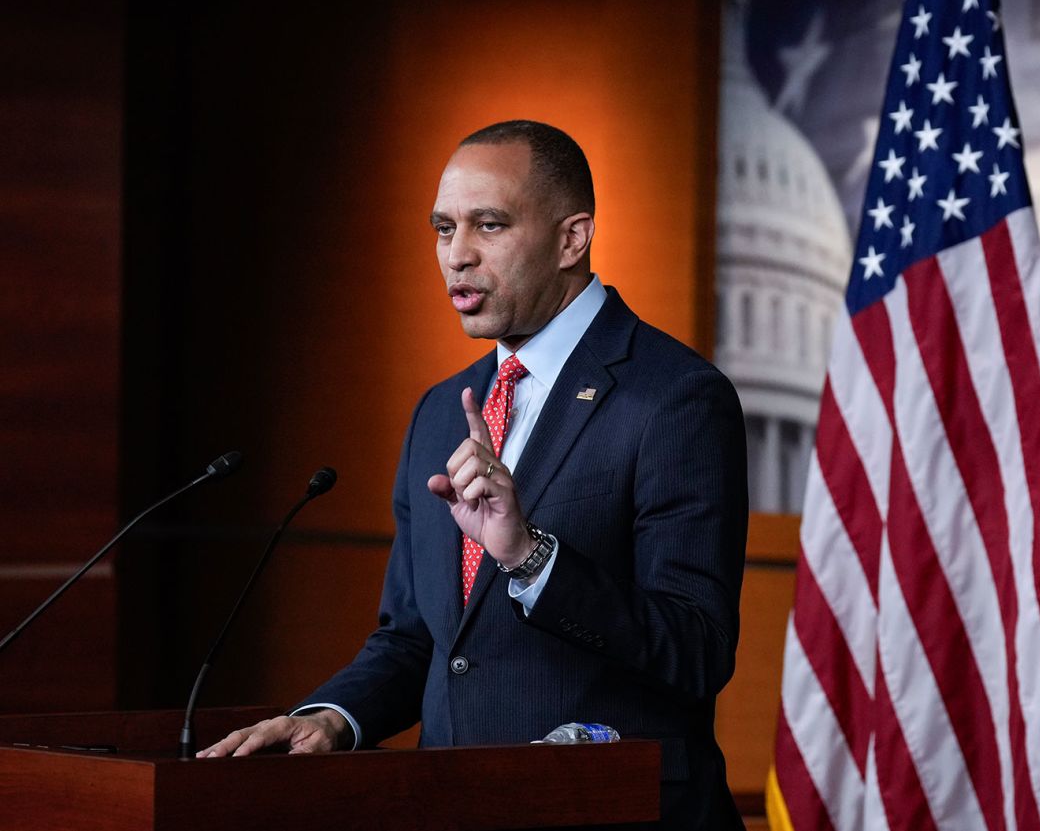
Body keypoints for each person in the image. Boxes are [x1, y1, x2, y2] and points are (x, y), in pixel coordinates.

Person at [199, 120, 749, 830]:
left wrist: (529, 555)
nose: (456, 255)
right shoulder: (440, 411)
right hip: (455, 805)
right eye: (442, 228)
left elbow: (696, 647)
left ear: (571, 238)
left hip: (611, 808)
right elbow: (416, 638)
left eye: (489, 225)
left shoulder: (674, 397)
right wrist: (334, 719)